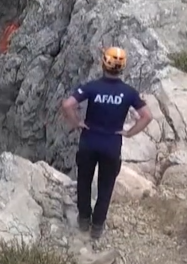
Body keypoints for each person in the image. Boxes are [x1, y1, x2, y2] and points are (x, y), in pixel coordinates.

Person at [59, 47, 153, 239]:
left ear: (103, 63)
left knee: (84, 181)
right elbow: (147, 116)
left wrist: (77, 123)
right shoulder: (128, 92)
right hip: (111, 144)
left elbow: (67, 104)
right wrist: (128, 133)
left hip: (89, 141)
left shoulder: (92, 87)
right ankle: (98, 226)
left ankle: (84, 219)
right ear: (123, 67)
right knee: (106, 185)